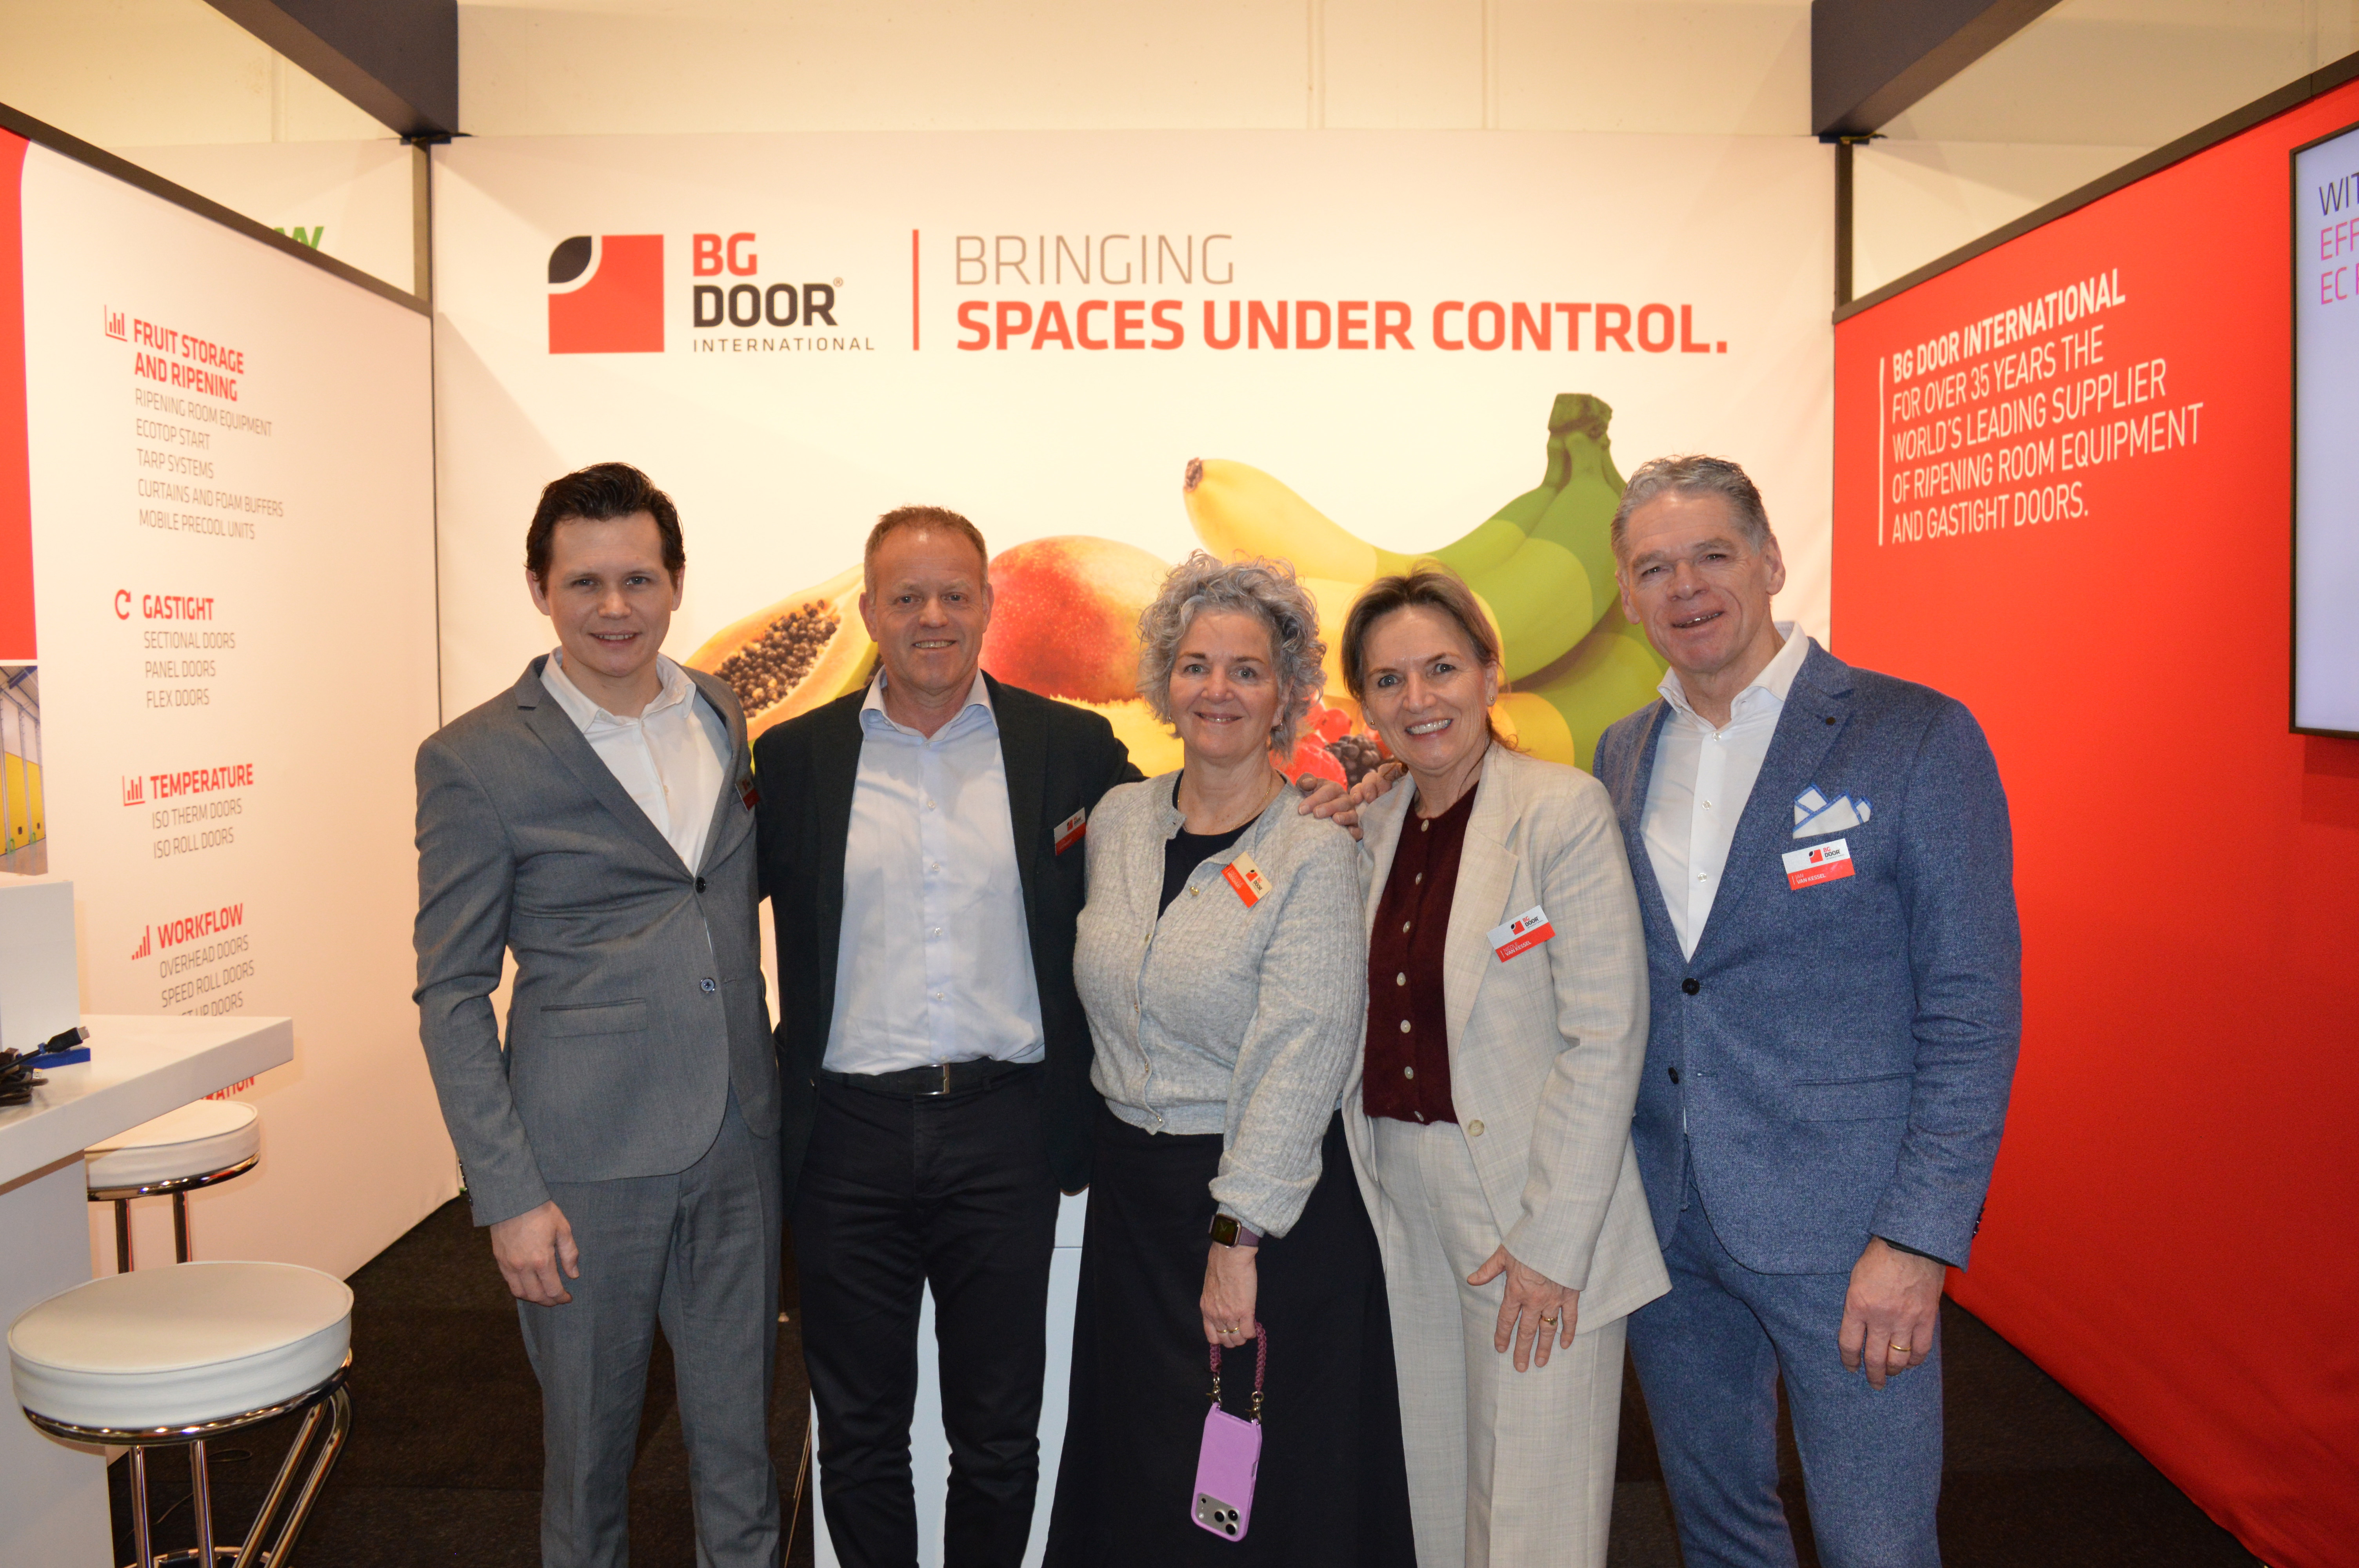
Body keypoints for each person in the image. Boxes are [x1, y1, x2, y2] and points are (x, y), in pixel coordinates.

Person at [1592, 456, 2021, 1568]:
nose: (1686, 586)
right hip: (1668, 1222)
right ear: (1629, 596)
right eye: (1654, 567)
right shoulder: (1623, 752)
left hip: (1850, 1233)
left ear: (1771, 561)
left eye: (1712, 554)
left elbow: (1972, 1009)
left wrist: (1918, 1238)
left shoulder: (1914, 735)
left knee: (1876, 1543)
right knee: (1719, 1532)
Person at [413, 462, 781, 1568]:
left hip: (738, 1141)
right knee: (587, 1467)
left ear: (676, 583)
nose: (614, 607)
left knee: (744, 1453)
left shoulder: (722, 710)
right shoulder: (473, 758)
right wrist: (507, 1194)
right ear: (539, 587)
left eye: (638, 579)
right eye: (584, 583)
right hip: (580, 1167)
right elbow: (451, 990)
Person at [752, 506, 1134, 1568]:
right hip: (845, 1140)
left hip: (1005, 1131)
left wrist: (1299, 814)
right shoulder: (794, 759)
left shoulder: (1070, 747)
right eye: (908, 597)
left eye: (954, 595)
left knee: (1001, 1436)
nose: (933, 617)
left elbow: (1176, 841)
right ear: (869, 610)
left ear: (987, 605)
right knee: (859, 1435)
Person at [1045, 554, 1414, 1568]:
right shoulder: (1120, 821)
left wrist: (1236, 1234)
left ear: (1287, 694)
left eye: (1247, 670)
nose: (1219, 689)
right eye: (1196, 664)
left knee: (1256, 1490)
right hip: (1133, 1208)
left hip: (1263, 1212)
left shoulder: (1312, 844)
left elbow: (1305, 1047)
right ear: (1164, 681)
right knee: (1142, 1472)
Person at [1336, 567, 1666, 1568]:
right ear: (1365, 706)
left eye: (1441, 668)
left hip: (1532, 1203)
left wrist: (1551, 1242)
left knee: (1531, 1518)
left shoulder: (1559, 811)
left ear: (1490, 672)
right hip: (1403, 1197)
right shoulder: (1368, 827)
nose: (1418, 698)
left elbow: (1606, 1032)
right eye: (1388, 680)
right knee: (1438, 1499)